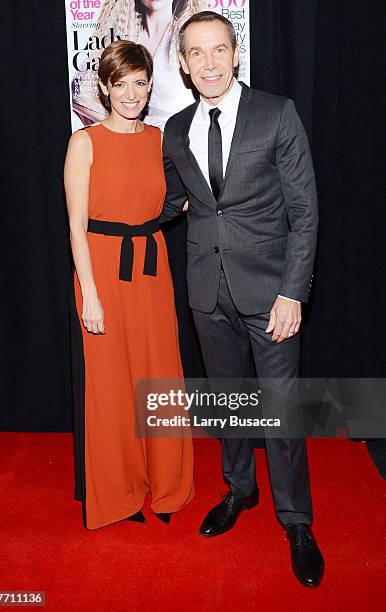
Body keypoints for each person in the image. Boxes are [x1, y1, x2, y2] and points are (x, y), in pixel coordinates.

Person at [160, 11, 324, 587]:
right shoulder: (176, 129)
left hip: (271, 292)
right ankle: (239, 491)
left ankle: (297, 521)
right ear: (182, 63)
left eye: (218, 50)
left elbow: (305, 211)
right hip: (207, 291)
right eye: (196, 54)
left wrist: (292, 292)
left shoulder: (277, 113)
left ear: (237, 53)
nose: (208, 63)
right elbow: (172, 202)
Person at [64, 39, 194, 530]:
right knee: (112, 385)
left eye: (140, 83)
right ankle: (118, 492)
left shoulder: (160, 139)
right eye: (122, 84)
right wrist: (90, 294)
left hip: (152, 267)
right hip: (101, 270)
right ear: (104, 86)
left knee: (157, 375)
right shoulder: (85, 142)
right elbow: (76, 225)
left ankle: (165, 485)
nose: (132, 93)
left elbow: (179, 196)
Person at [72, 0, 203, 129]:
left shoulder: (190, 35)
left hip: (181, 144)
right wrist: (131, 127)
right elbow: (80, 95)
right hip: (136, 144)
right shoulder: (126, 34)